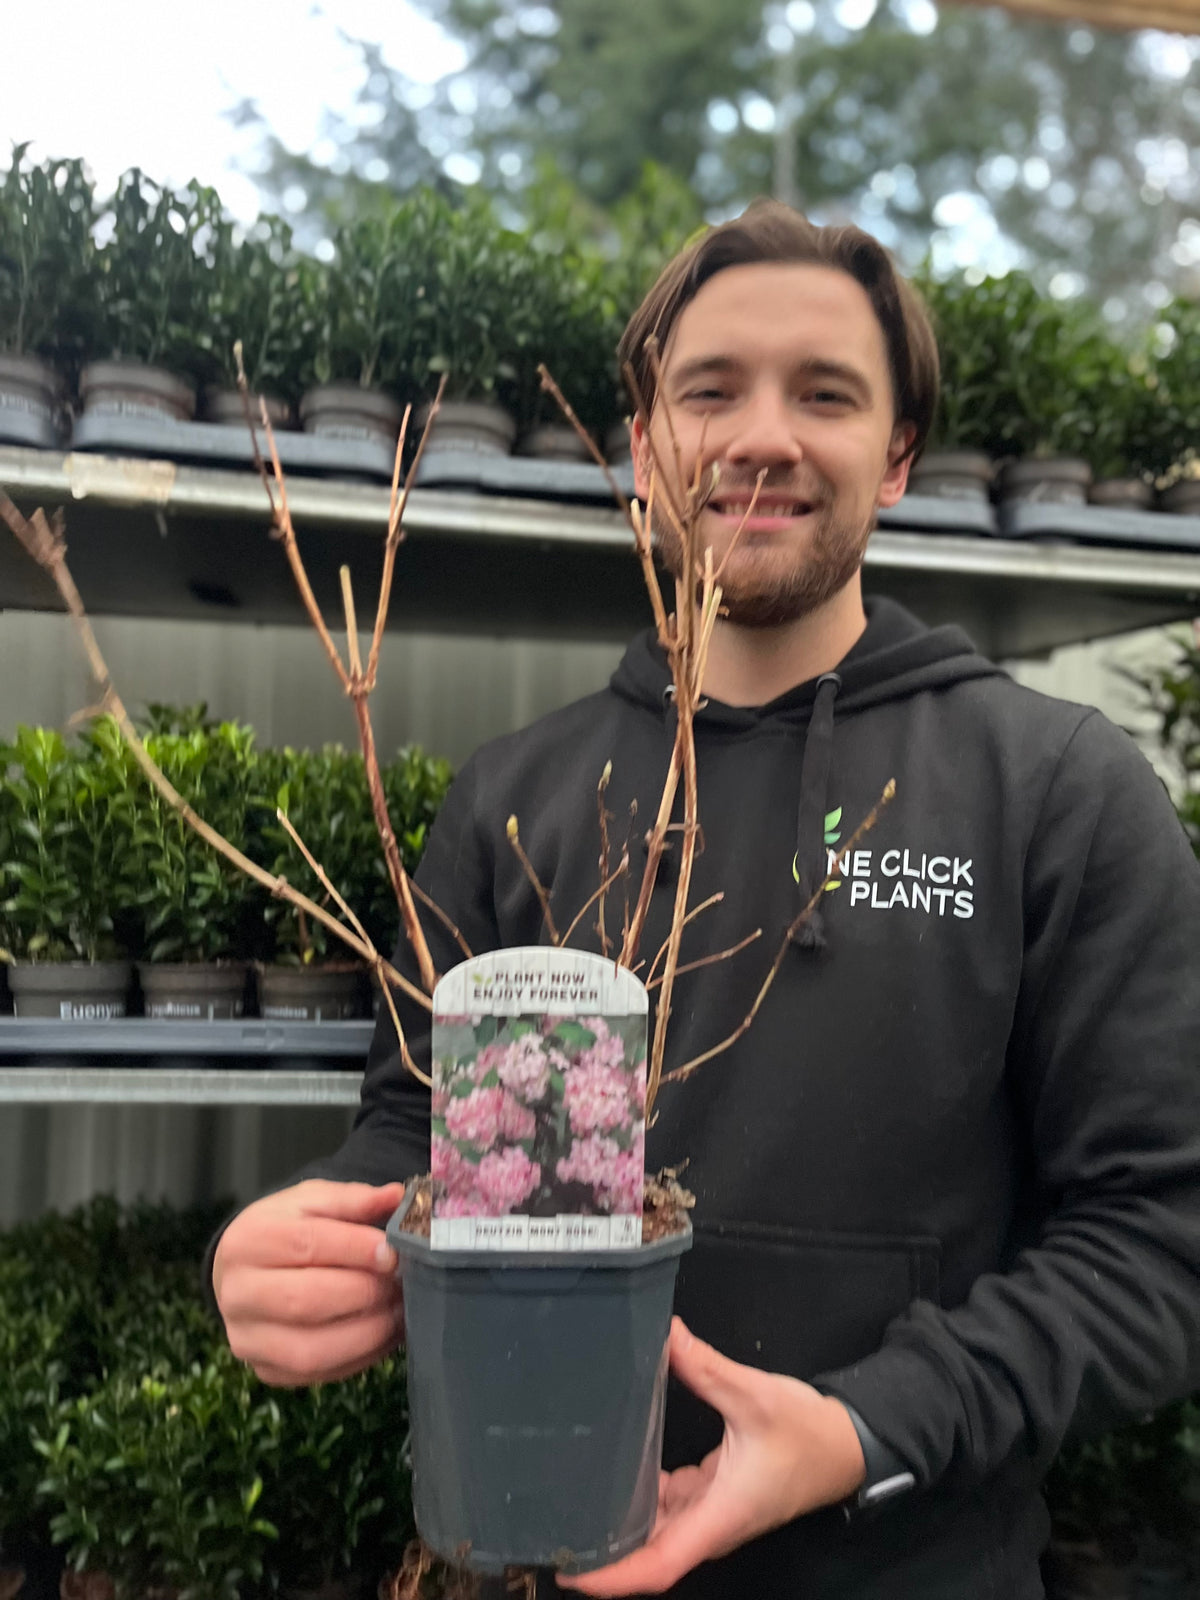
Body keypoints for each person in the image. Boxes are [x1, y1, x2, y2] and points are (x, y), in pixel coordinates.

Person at [211, 200, 1200, 1599]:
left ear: (900, 456)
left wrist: (864, 1429)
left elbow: (1162, 1241)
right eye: (710, 390)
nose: (762, 438)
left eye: (828, 395)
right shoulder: (518, 793)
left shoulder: (1056, 794)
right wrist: (304, 1241)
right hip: (550, 1552)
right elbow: (406, 1130)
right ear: (644, 444)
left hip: (913, 1562)